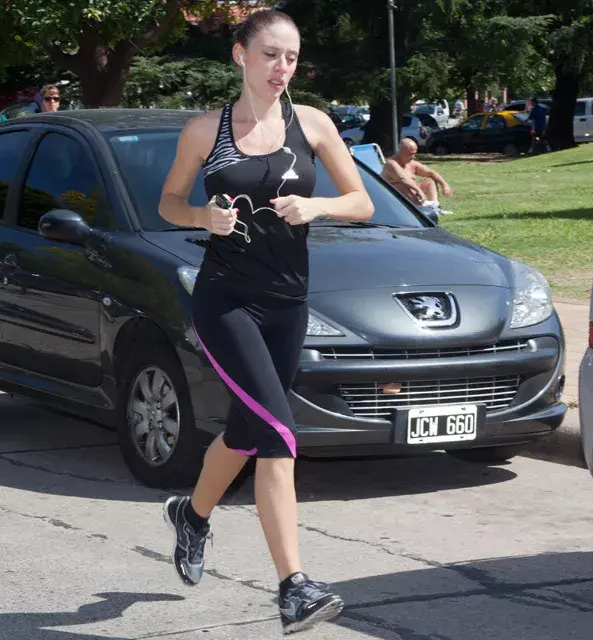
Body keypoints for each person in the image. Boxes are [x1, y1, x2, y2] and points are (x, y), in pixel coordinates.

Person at [157, 8, 374, 635]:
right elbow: (169, 202)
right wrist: (203, 218)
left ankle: (191, 516)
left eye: (292, 58)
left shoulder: (313, 125)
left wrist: (317, 205)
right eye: (271, 55)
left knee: (249, 432)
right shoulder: (207, 131)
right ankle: (293, 587)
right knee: (279, 435)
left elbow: (360, 201)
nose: (283, 68)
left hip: (287, 303)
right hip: (225, 300)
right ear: (240, 55)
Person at [381, 138, 453, 215]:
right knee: (400, 185)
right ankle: (421, 208)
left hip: (413, 196)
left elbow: (431, 173)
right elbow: (403, 179)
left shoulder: (411, 163)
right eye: (411, 154)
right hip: (394, 199)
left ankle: (434, 206)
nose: (414, 157)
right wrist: (419, 191)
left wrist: (445, 185)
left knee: (430, 180)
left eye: (414, 153)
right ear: (401, 152)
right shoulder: (391, 164)